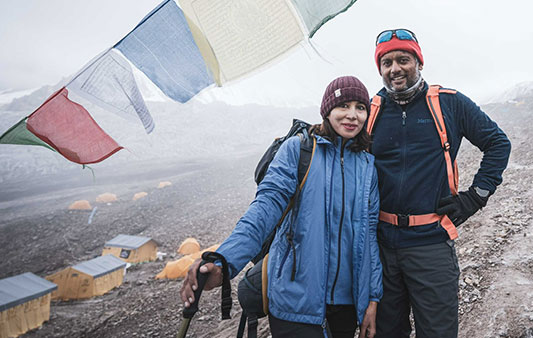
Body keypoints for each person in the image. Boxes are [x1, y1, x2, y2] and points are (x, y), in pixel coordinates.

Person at [180, 76, 381, 338]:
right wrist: (225, 260)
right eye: (344, 106)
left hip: (346, 304)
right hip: (295, 300)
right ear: (327, 110)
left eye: (360, 107)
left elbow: (369, 240)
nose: (352, 115)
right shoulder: (299, 150)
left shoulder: (367, 167)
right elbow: (265, 209)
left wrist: (371, 299)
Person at [368, 29, 511, 338]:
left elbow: (498, 143)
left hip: (430, 244)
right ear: (379, 68)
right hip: (380, 248)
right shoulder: (370, 111)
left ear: (419, 61)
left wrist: (475, 197)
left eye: (403, 59)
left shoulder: (449, 103)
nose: (395, 69)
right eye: (387, 62)